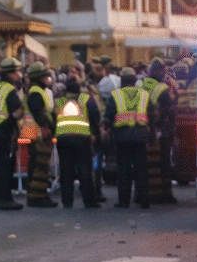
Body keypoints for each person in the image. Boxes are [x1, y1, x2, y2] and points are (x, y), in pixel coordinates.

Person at [54, 71, 100, 209]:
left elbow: (52, 118)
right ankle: (89, 201)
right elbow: (94, 116)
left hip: (63, 139)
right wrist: (95, 134)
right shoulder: (86, 99)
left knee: (66, 171)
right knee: (85, 169)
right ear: (79, 89)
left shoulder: (59, 101)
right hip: (82, 138)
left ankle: (67, 201)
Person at [0, 56, 25, 210]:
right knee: (7, 167)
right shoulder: (9, 90)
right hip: (6, 131)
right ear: (11, 73)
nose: (19, 75)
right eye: (17, 72)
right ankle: (5, 199)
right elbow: (17, 110)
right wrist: (18, 121)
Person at [109, 66, 151, 208]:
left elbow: (109, 115)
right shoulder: (144, 94)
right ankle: (144, 199)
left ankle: (124, 201)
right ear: (134, 80)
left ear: (122, 80)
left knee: (123, 170)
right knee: (142, 169)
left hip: (122, 137)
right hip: (140, 136)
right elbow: (152, 113)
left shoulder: (116, 95)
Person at [23, 61, 57, 208]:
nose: (48, 78)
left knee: (40, 166)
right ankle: (37, 197)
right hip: (40, 134)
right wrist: (47, 126)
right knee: (40, 167)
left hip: (37, 134)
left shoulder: (38, 91)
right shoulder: (36, 92)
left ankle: (38, 195)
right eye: (45, 76)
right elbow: (39, 113)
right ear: (39, 78)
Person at [143, 57, 177, 203]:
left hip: (144, 128)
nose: (164, 72)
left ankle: (147, 192)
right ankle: (164, 194)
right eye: (162, 69)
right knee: (163, 162)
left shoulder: (142, 85)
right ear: (158, 71)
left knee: (147, 163)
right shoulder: (162, 89)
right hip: (161, 129)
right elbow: (169, 110)